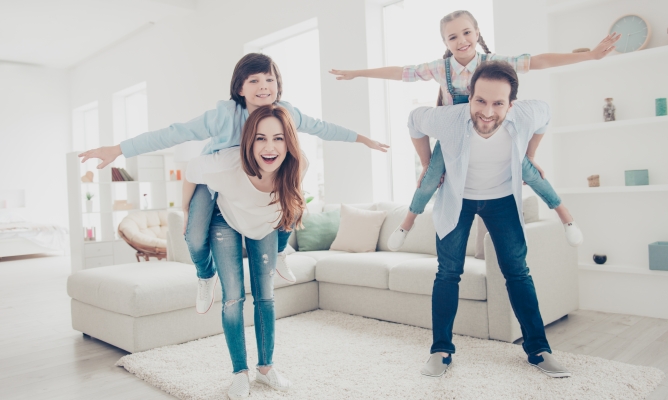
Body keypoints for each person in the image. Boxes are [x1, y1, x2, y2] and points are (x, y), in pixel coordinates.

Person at [78, 53, 389, 314]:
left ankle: (281, 252)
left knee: (293, 204)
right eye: (253, 80)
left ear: (278, 85)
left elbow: (321, 127)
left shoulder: (286, 113)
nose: (263, 86)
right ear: (240, 87)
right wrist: (118, 149)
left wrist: (362, 139)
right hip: (215, 180)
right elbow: (174, 132)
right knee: (194, 236)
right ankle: (204, 275)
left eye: (269, 79)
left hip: (258, 181)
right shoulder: (224, 115)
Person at [330, 10, 620, 251]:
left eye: (467, 32)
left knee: (529, 170)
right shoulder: (439, 68)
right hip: (456, 135)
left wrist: (590, 56)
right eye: (452, 36)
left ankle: (565, 217)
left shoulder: (494, 64)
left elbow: (538, 60)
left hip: (493, 132)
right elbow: (400, 72)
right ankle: (406, 224)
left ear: (477, 33)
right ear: (445, 41)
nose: (461, 40)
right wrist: (359, 73)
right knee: (430, 177)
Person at [408, 60, 571, 378]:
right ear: (469, 96)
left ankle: (538, 350)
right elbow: (413, 120)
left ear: (511, 105)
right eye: (480, 100)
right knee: (448, 273)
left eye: (498, 103)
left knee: (518, 273)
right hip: (459, 198)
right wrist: (428, 164)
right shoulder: (448, 118)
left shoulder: (525, 114)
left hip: (502, 200)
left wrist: (532, 155)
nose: (486, 111)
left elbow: (546, 115)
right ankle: (440, 351)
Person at [185, 104, 304, 398]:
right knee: (233, 297)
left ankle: (266, 369)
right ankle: (240, 372)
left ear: (289, 141)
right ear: (248, 139)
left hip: (262, 226)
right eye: (261, 138)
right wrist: (185, 211)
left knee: (265, 296)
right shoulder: (226, 162)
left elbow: (291, 208)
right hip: (224, 220)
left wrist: (280, 245)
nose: (269, 146)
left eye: (278, 138)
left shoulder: (297, 166)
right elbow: (190, 171)